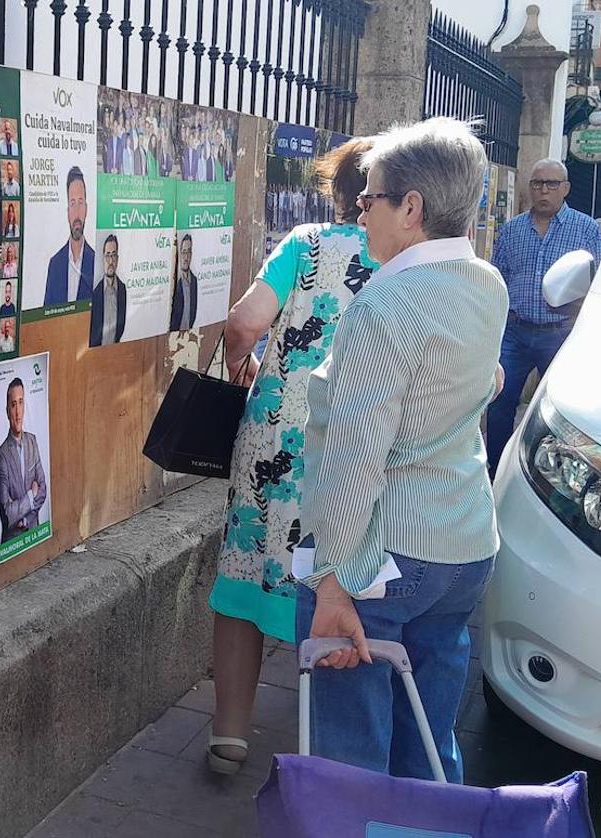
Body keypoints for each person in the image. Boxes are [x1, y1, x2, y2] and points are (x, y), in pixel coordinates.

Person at [296, 117, 508, 785]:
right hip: (464, 546)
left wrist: (334, 580)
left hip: (383, 557)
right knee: (428, 740)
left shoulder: (384, 306)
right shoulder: (486, 285)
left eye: (369, 198)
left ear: (410, 209)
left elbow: (356, 457)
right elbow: (485, 382)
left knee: (349, 758)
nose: (361, 213)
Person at [207, 138, 379, 774]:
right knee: (339, 581)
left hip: (274, 436)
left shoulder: (306, 244)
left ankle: (229, 734)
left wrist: (240, 365)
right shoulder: (401, 258)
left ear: (337, 193)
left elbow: (245, 321)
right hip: (354, 448)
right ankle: (329, 752)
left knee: (247, 570)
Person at [484, 158, 601, 475]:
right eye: (538, 183)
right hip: (516, 332)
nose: (544, 191)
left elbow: (598, 282)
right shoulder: (512, 231)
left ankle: (553, 474)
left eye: (552, 184)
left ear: (565, 188)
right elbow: (499, 278)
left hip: (561, 332)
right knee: (499, 401)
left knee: (562, 407)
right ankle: (497, 469)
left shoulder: (586, 229)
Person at [0, 378, 47, 542]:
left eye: (21, 403)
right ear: (7, 411)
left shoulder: (33, 441)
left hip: (34, 533)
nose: (18, 412)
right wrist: (31, 496)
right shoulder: (1, 455)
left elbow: (43, 489)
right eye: (13, 404)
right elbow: (6, 512)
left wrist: (23, 518)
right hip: (12, 542)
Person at [44, 167, 95, 306]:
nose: (77, 212)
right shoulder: (55, 265)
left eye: (80, 203)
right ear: (67, 211)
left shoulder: (97, 264)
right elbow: (46, 317)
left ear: (86, 209)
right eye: (72, 203)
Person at [89, 234, 127, 346]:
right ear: (103, 258)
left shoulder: (122, 290)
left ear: (118, 259)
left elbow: (121, 327)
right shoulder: (94, 293)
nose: (111, 261)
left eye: (114, 255)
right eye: (108, 255)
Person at [169, 233, 199, 331]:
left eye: (188, 252)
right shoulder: (174, 282)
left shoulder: (194, 281)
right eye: (183, 252)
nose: (186, 257)